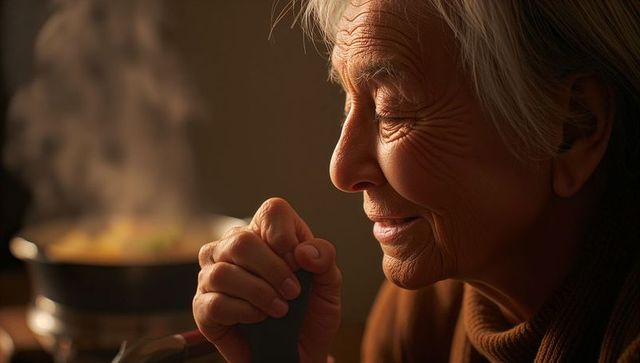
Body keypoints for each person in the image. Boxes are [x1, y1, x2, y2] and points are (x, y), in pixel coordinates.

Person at [193, 0, 640, 361]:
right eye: (348, 103)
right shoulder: (424, 313)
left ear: (573, 127)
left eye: (393, 110)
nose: (342, 169)